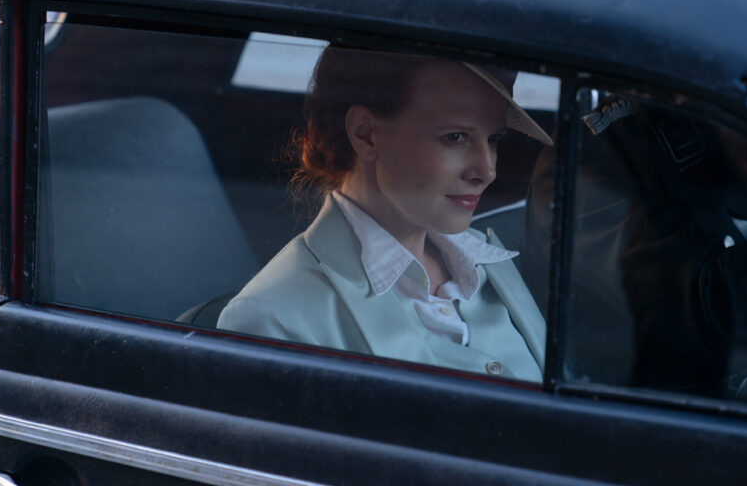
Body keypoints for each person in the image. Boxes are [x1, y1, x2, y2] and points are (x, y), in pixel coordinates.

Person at [217, 46, 553, 382]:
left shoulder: (487, 257)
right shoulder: (271, 315)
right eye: (456, 137)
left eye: (494, 139)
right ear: (365, 135)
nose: (487, 171)